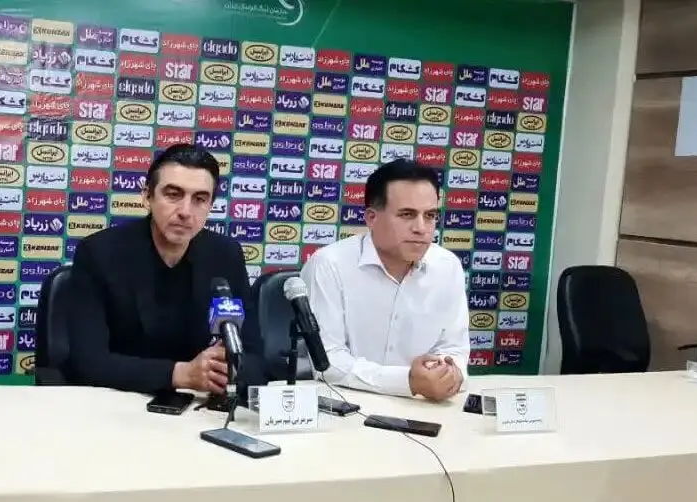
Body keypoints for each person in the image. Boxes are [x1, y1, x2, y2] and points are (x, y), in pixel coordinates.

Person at [65, 143, 265, 395]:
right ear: (147, 196)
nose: (185, 212)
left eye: (200, 199)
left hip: (199, 404)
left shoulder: (225, 255)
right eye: (173, 195)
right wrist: (180, 374)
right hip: (119, 400)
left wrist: (228, 369)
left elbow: (256, 359)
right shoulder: (99, 254)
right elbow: (88, 362)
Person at [300, 159, 469, 401]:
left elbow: (454, 349)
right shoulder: (329, 265)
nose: (421, 228)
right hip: (347, 406)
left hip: (424, 405)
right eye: (407, 215)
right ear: (371, 218)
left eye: (430, 215)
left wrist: (447, 375)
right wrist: (407, 381)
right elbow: (327, 363)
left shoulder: (447, 266)